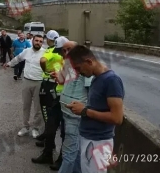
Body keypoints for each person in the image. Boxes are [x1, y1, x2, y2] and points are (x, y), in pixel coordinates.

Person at [66, 45, 125, 173]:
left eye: (78, 68)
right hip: (89, 139)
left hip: (98, 142)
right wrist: (82, 107)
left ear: (89, 61)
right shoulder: (96, 78)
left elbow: (117, 118)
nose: (78, 72)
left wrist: (85, 111)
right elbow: (98, 107)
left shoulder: (111, 80)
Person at [55, 40, 92, 173]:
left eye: (69, 50)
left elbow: (90, 89)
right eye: (64, 50)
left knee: (69, 152)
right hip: (66, 112)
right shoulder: (67, 64)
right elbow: (61, 80)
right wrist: (58, 74)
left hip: (75, 115)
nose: (66, 53)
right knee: (75, 151)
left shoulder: (83, 66)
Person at [32, 35, 67, 165]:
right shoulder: (60, 57)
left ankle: (62, 159)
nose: (62, 54)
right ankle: (47, 153)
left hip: (67, 99)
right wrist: (57, 75)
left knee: (65, 131)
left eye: (63, 51)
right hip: (57, 95)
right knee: (51, 126)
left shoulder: (74, 61)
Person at [3, 34, 44, 138]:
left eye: (40, 41)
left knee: (38, 108)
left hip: (39, 83)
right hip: (26, 82)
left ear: (42, 43)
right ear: (32, 41)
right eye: (36, 41)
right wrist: (9, 64)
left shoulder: (45, 53)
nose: (38, 43)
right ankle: (25, 127)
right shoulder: (27, 51)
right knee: (26, 106)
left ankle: (35, 128)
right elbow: (18, 58)